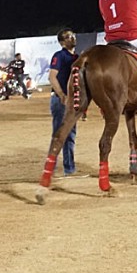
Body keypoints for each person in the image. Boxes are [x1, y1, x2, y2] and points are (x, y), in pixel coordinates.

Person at [47, 29, 79, 176]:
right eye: (68, 37)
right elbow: (52, 77)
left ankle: (69, 169)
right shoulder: (59, 56)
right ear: (61, 42)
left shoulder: (77, 57)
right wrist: (61, 95)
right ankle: (50, 170)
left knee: (70, 135)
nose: (72, 38)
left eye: (72, 35)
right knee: (58, 134)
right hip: (60, 101)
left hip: (71, 102)